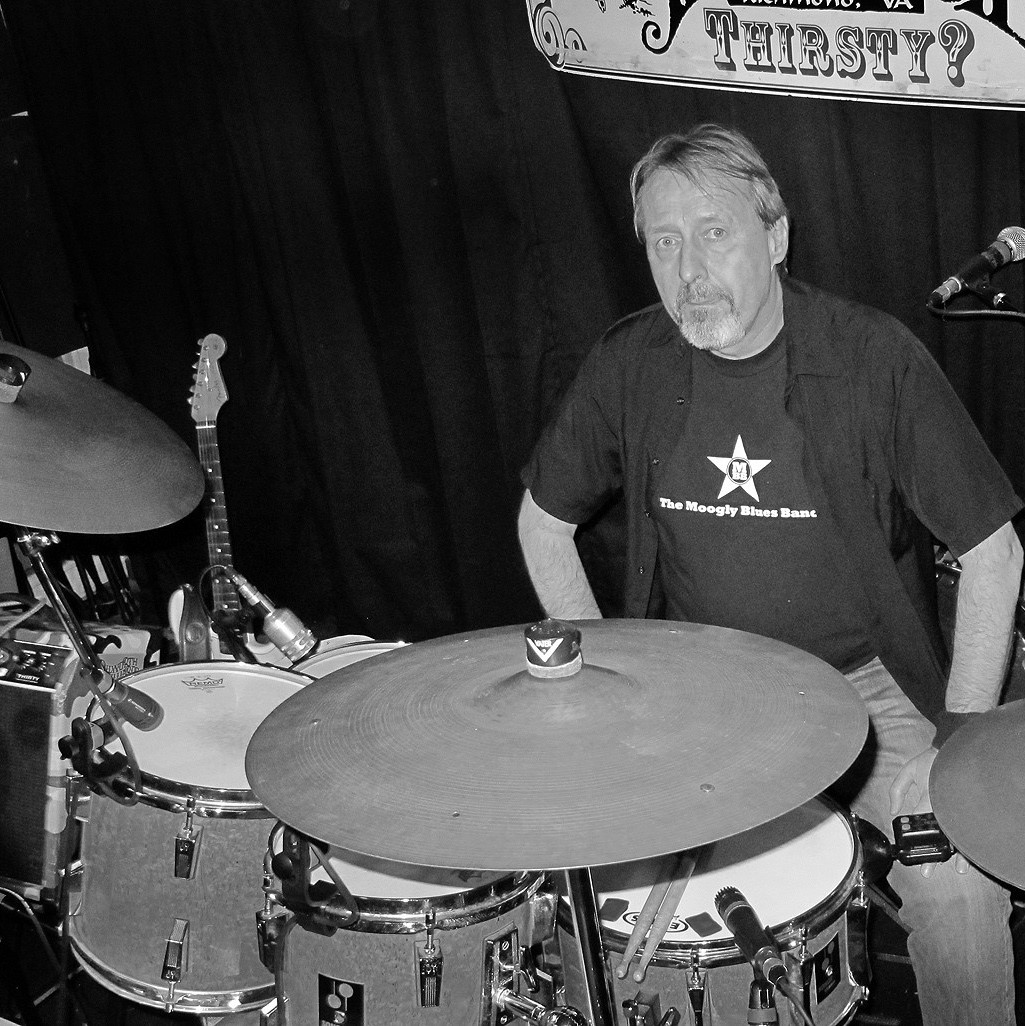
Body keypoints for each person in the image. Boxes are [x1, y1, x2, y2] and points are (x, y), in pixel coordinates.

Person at [517, 123, 1023, 1025]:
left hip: (869, 687)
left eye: (713, 233)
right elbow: (542, 523)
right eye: (663, 242)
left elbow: (994, 551)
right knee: (592, 885)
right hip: (701, 690)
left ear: (775, 236)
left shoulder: (871, 358)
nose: (688, 270)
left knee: (958, 891)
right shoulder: (629, 362)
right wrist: (604, 677)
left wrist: (956, 745)